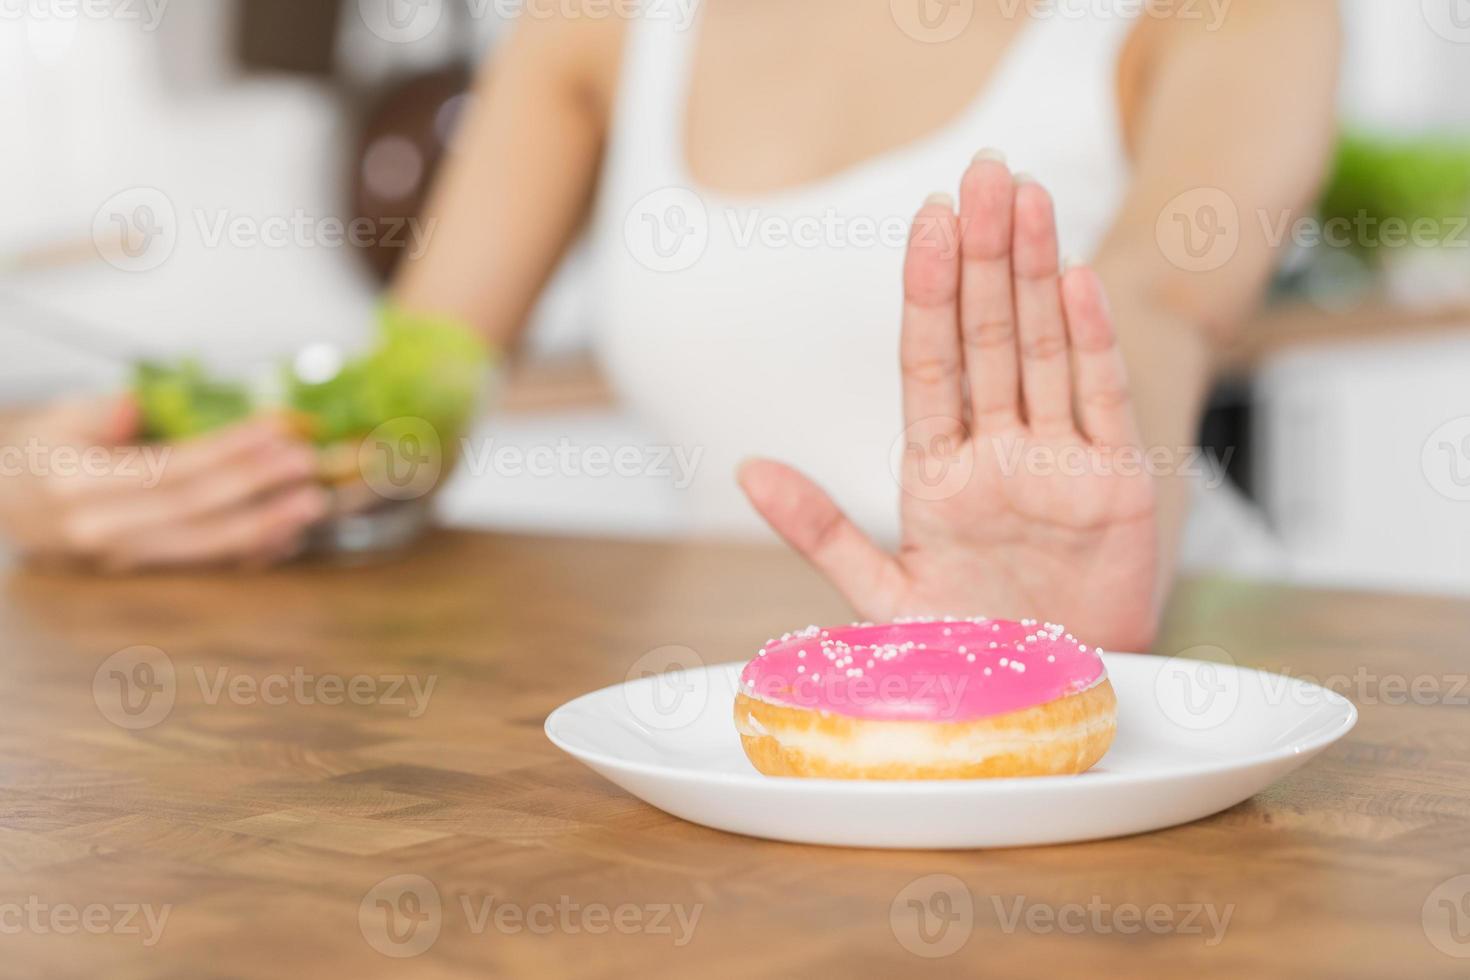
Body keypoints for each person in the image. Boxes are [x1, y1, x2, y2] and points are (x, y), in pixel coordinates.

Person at [0, 0, 1340, 650]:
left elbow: (1159, 304)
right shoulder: (600, 23)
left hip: (1169, 650)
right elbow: (410, 394)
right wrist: (102, 475)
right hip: (777, 709)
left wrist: (1082, 592)